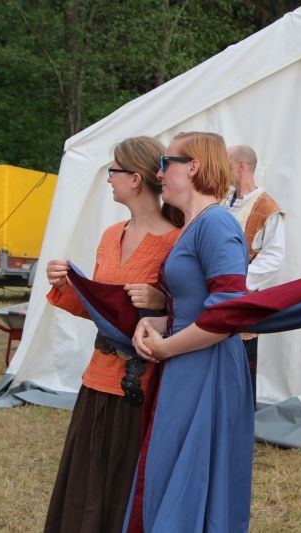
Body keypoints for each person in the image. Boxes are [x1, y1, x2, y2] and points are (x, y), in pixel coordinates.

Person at [43, 136, 180, 533]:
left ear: (135, 179)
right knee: (86, 485)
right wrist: (67, 286)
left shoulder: (176, 241)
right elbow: (102, 312)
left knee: (122, 490)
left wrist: (161, 301)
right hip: (96, 380)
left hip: (141, 387)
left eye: (113, 170)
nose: (108, 178)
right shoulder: (110, 235)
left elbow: (195, 313)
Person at [127, 132, 254, 531]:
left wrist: (166, 347)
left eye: (166, 163)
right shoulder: (193, 224)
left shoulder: (216, 223)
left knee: (193, 475)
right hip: (187, 363)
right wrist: (157, 322)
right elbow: (195, 307)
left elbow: (227, 314)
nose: (159, 173)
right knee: (170, 470)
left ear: (194, 167)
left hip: (207, 367)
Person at [223, 144, 286, 399]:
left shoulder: (267, 207)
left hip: (243, 299)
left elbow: (273, 256)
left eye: (226, 161)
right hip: (214, 296)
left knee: (240, 368)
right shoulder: (222, 200)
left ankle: (242, 415)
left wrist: (237, 282)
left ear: (241, 165)